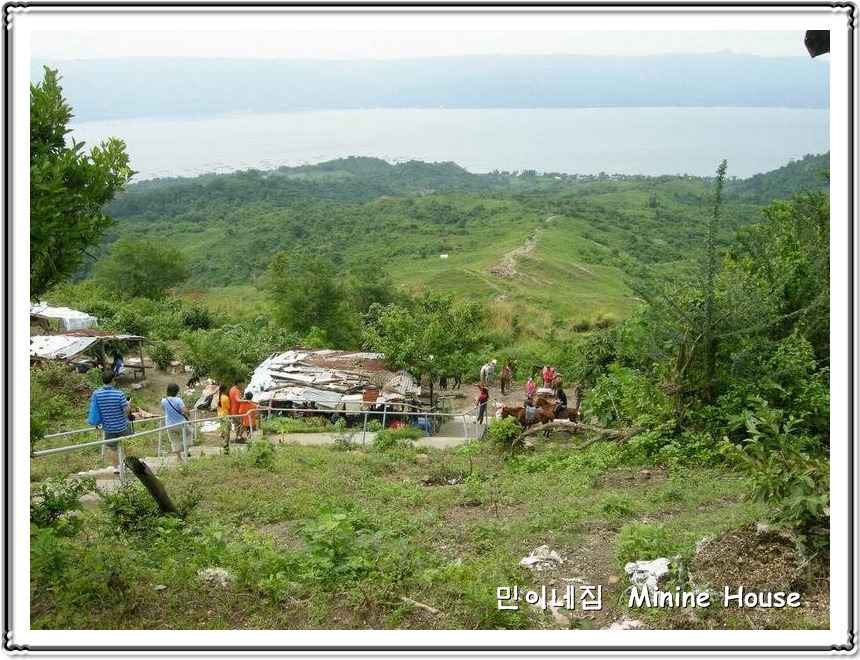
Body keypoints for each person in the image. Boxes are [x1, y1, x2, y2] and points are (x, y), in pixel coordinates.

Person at [88, 370, 131, 474]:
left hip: (108, 427)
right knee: (127, 445)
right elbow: (126, 410)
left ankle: (116, 468)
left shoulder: (96, 394)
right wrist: (128, 403)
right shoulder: (119, 394)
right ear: (113, 380)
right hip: (122, 426)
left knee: (113, 448)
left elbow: (95, 409)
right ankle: (130, 465)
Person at [160, 383, 190, 462]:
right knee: (189, 434)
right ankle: (185, 452)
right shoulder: (178, 400)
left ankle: (179, 458)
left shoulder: (163, 400)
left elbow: (164, 409)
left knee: (174, 441)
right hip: (180, 424)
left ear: (168, 390)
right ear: (177, 391)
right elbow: (184, 411)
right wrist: (188, 413)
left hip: (169, 424)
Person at [228, 377, 245, 442]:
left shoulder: (231, 389)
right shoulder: (236, 391)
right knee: (244, 424)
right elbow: (238, 400)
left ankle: (238, 438)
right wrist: (246, 401)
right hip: (237, 411)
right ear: (238, 383)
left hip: (232, 411)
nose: (243, 385)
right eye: (242, 383)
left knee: (237, 425)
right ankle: (239, 437)